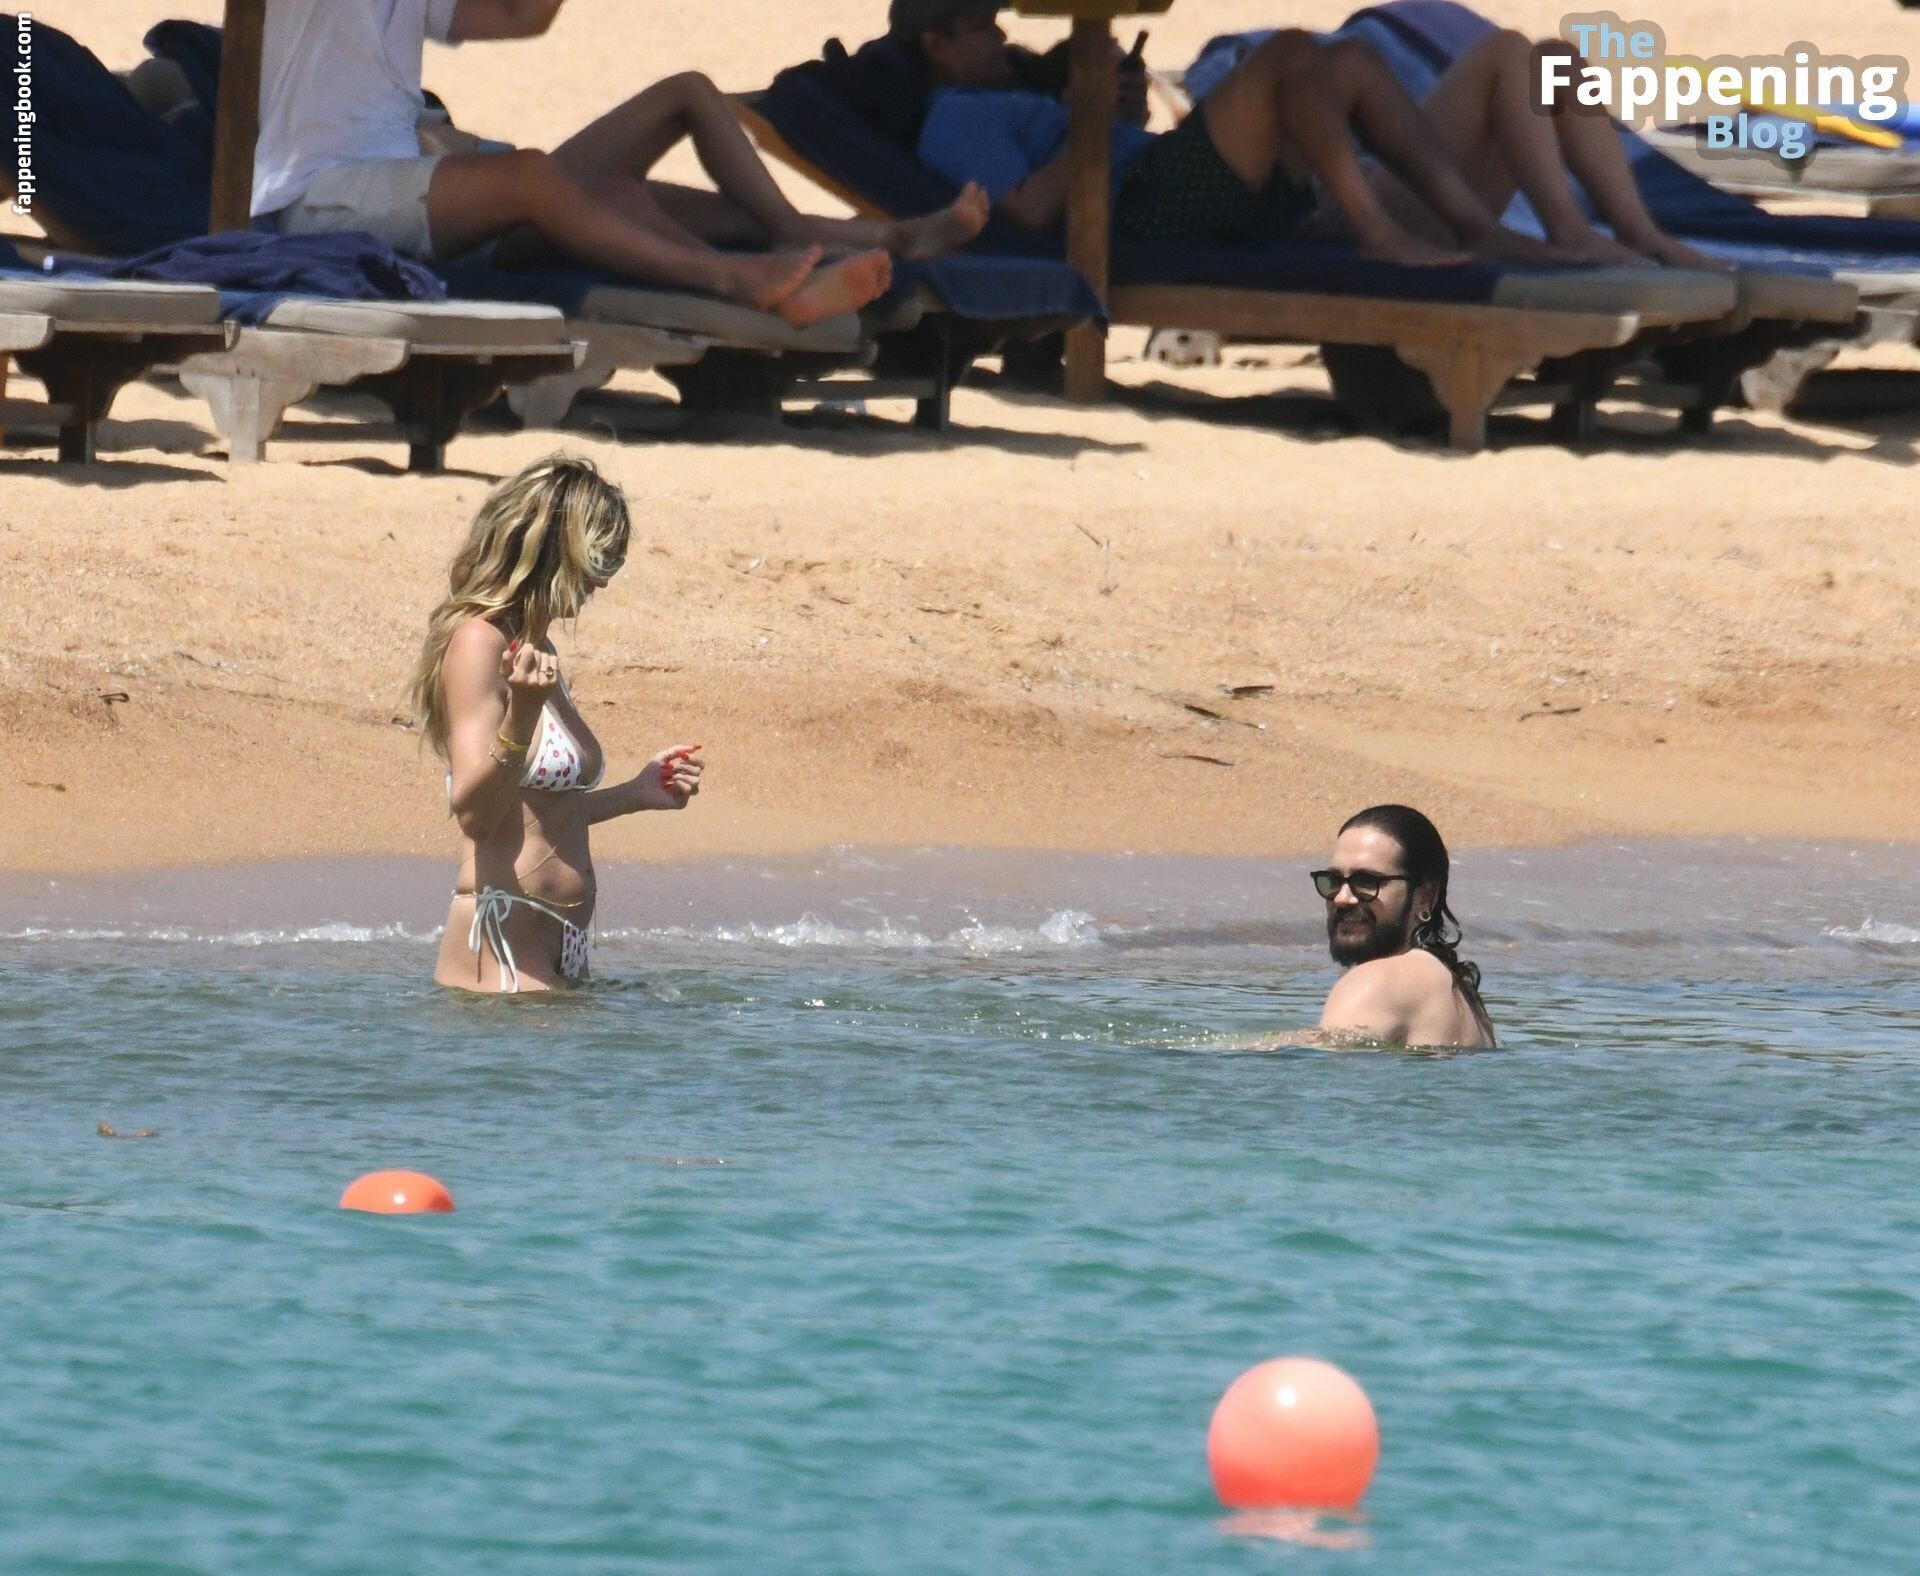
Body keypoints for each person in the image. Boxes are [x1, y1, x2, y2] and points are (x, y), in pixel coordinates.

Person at [252, 0, 991, 329]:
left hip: (431, 184)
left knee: (677, 118)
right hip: (328, 193)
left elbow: (522, 14)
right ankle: (736, 282)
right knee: (534, 175)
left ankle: (845, 242)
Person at [904, 0, 1719, 269]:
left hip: (1220, 191)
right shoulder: (956, 117)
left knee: (1537, 60)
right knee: (1292, 53)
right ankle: (1377, 232)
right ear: (935, 46)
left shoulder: (1016, 91)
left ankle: (1625, 231)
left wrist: (1114, 113)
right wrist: (1086, 119)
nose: (1000, 36)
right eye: (978, 27)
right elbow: (1021, 218)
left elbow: (1108, 150)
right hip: (1158, 215)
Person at [408, 454, 702, 994]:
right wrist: (522, 714)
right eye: (599, 559)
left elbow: (537, 813)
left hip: (563, 942)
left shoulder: (536, 645)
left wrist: (634, 795)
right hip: (502, 936)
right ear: (553, 551)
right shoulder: (478, 643)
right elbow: (476, 815)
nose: (603, 582)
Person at [1312, 805, 1496, 1048]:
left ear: (1425, 897)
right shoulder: (1467, 1003)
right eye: (1334, 881)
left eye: (1367, 882)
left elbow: (1324, 1066)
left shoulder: (1376, 983)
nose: (1342, 898)